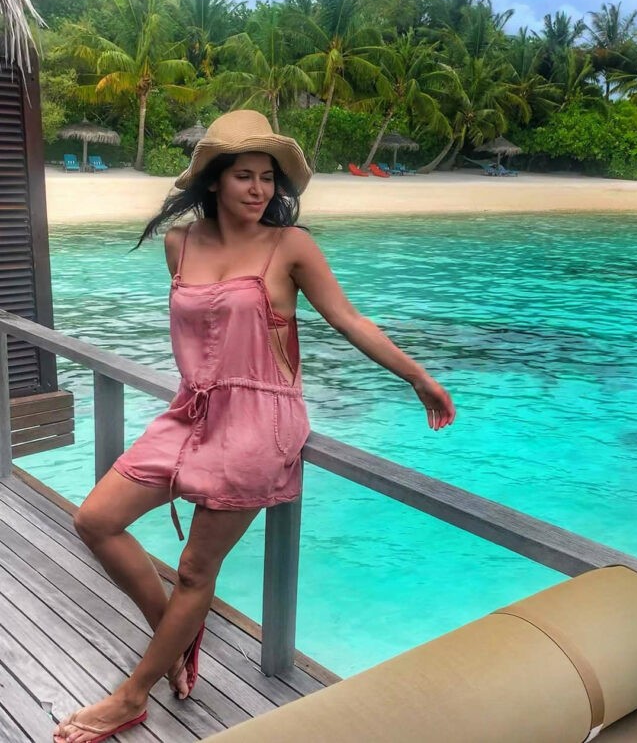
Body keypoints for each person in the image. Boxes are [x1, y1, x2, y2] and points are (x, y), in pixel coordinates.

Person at [53, 110, 456, 743]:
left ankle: (132, 695)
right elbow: (203, 334)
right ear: (215, 179)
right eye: (244, 175)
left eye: (268, 178)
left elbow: (350, 320)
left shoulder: (290, 246)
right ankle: (175, 637)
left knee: (195, 570)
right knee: (96, 520)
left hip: (259, 422)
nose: (259, 190)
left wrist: (416, 377)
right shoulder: (179, 243)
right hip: (190, 411)